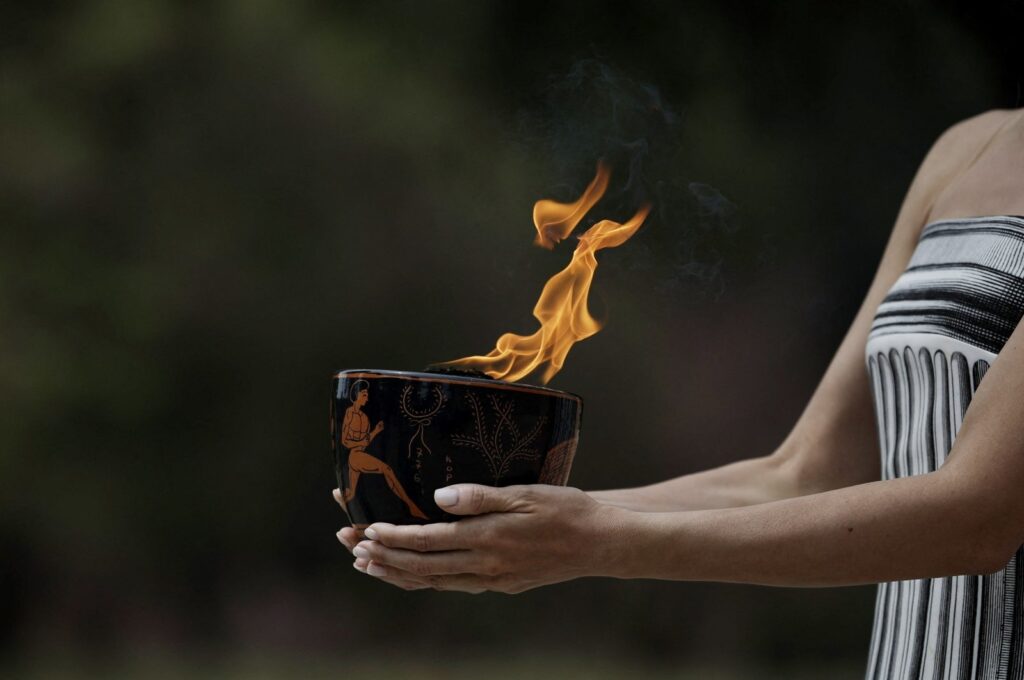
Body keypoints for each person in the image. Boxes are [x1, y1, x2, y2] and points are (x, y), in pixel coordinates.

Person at [333, 107, 1024, 678]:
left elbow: (980, 515)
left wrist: (595, 543)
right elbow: (805, 473)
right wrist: (517, 524)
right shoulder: (964, 152)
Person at [338, 380, 428, 520]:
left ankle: (410, 507)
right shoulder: (349, 413)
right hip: (354, 456)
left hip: (359, 455)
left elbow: (365, 443)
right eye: (364, 395)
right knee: (387, 469)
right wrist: (363, 440)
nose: (366, 398)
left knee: (351, 495)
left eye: (367, 395)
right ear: (355, 395)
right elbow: (344, 441)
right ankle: (411, 506)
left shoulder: (365, 419)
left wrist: (375, 431)